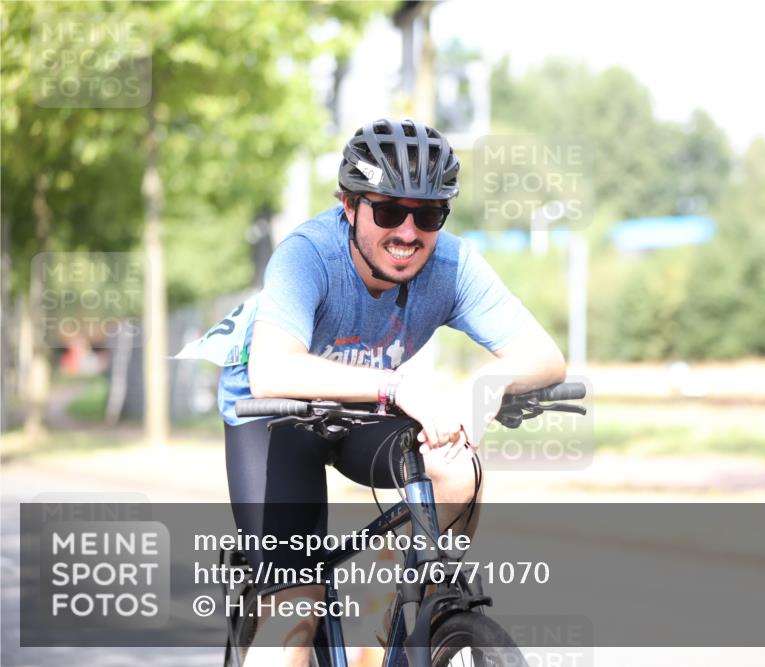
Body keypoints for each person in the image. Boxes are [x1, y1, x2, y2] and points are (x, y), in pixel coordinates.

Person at [219, 118, 566, 667]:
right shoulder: (307, 254)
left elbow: (544, 355)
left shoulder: (451, 265)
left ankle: (380, 628)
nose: (408, 232)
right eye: (387, 211)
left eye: (428, 215)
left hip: (363, 408)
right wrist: (399, 385)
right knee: (296, 611)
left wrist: (484, 389)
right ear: (348, 205)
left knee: (455, 466)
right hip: (272, 413)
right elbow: (271, 368)